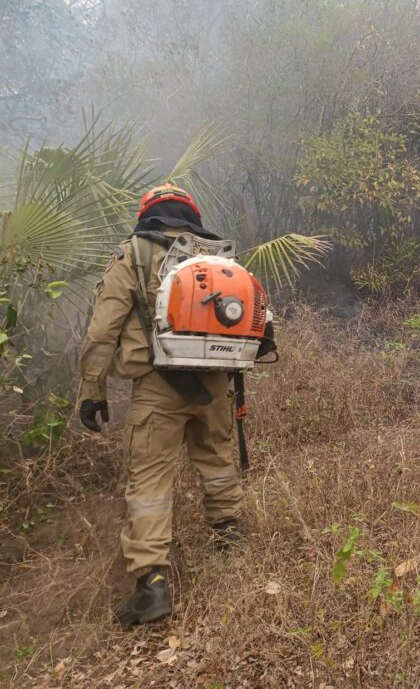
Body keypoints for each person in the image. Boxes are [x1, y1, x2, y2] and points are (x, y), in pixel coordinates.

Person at [78, 184, 244, 627]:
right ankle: (231, 538)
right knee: (217, 460)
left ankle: (151, 586)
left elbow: (103, 329)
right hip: (214, 379)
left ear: (146, 214)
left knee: (150, 481)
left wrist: (91, 389)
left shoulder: (133, 252)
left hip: (157, 385)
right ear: (191, 212)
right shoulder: (216, 255)